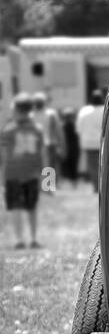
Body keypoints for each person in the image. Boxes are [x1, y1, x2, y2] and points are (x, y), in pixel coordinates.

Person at [1, 93, 47, 249]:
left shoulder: (8, 130)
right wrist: (49, 180)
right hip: (32, 173)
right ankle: (34, 238)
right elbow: (43, 154)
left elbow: (4, 155)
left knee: (15, 207)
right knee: (31, 207)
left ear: (15, 109)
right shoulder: (37, 129)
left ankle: (19, 240)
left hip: (13, 173)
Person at [32, 91, 65, 181]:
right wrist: (61, 144)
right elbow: (58, 130)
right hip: (49, 143)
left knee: (42, 166)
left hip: (38, 144)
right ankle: (47, 188)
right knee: (49, 166)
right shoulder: (50, 113)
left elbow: (57, 129)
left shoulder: (31, 115)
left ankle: (43, 187)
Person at [76, 89, 105, 193]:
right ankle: (102, 186)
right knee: (103, 165)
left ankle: (95, 187)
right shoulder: (105, 110)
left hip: (88, 143)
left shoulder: (84, 111)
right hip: (102, 143)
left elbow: (79, 129)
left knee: (92, 166)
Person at [61, 108, 80, 187]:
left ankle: (70, 182)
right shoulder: (74, 125)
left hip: (67, 147)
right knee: (73, 165)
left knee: (68, 165)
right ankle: (73, 181)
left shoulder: (63, 126)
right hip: (74, 148)